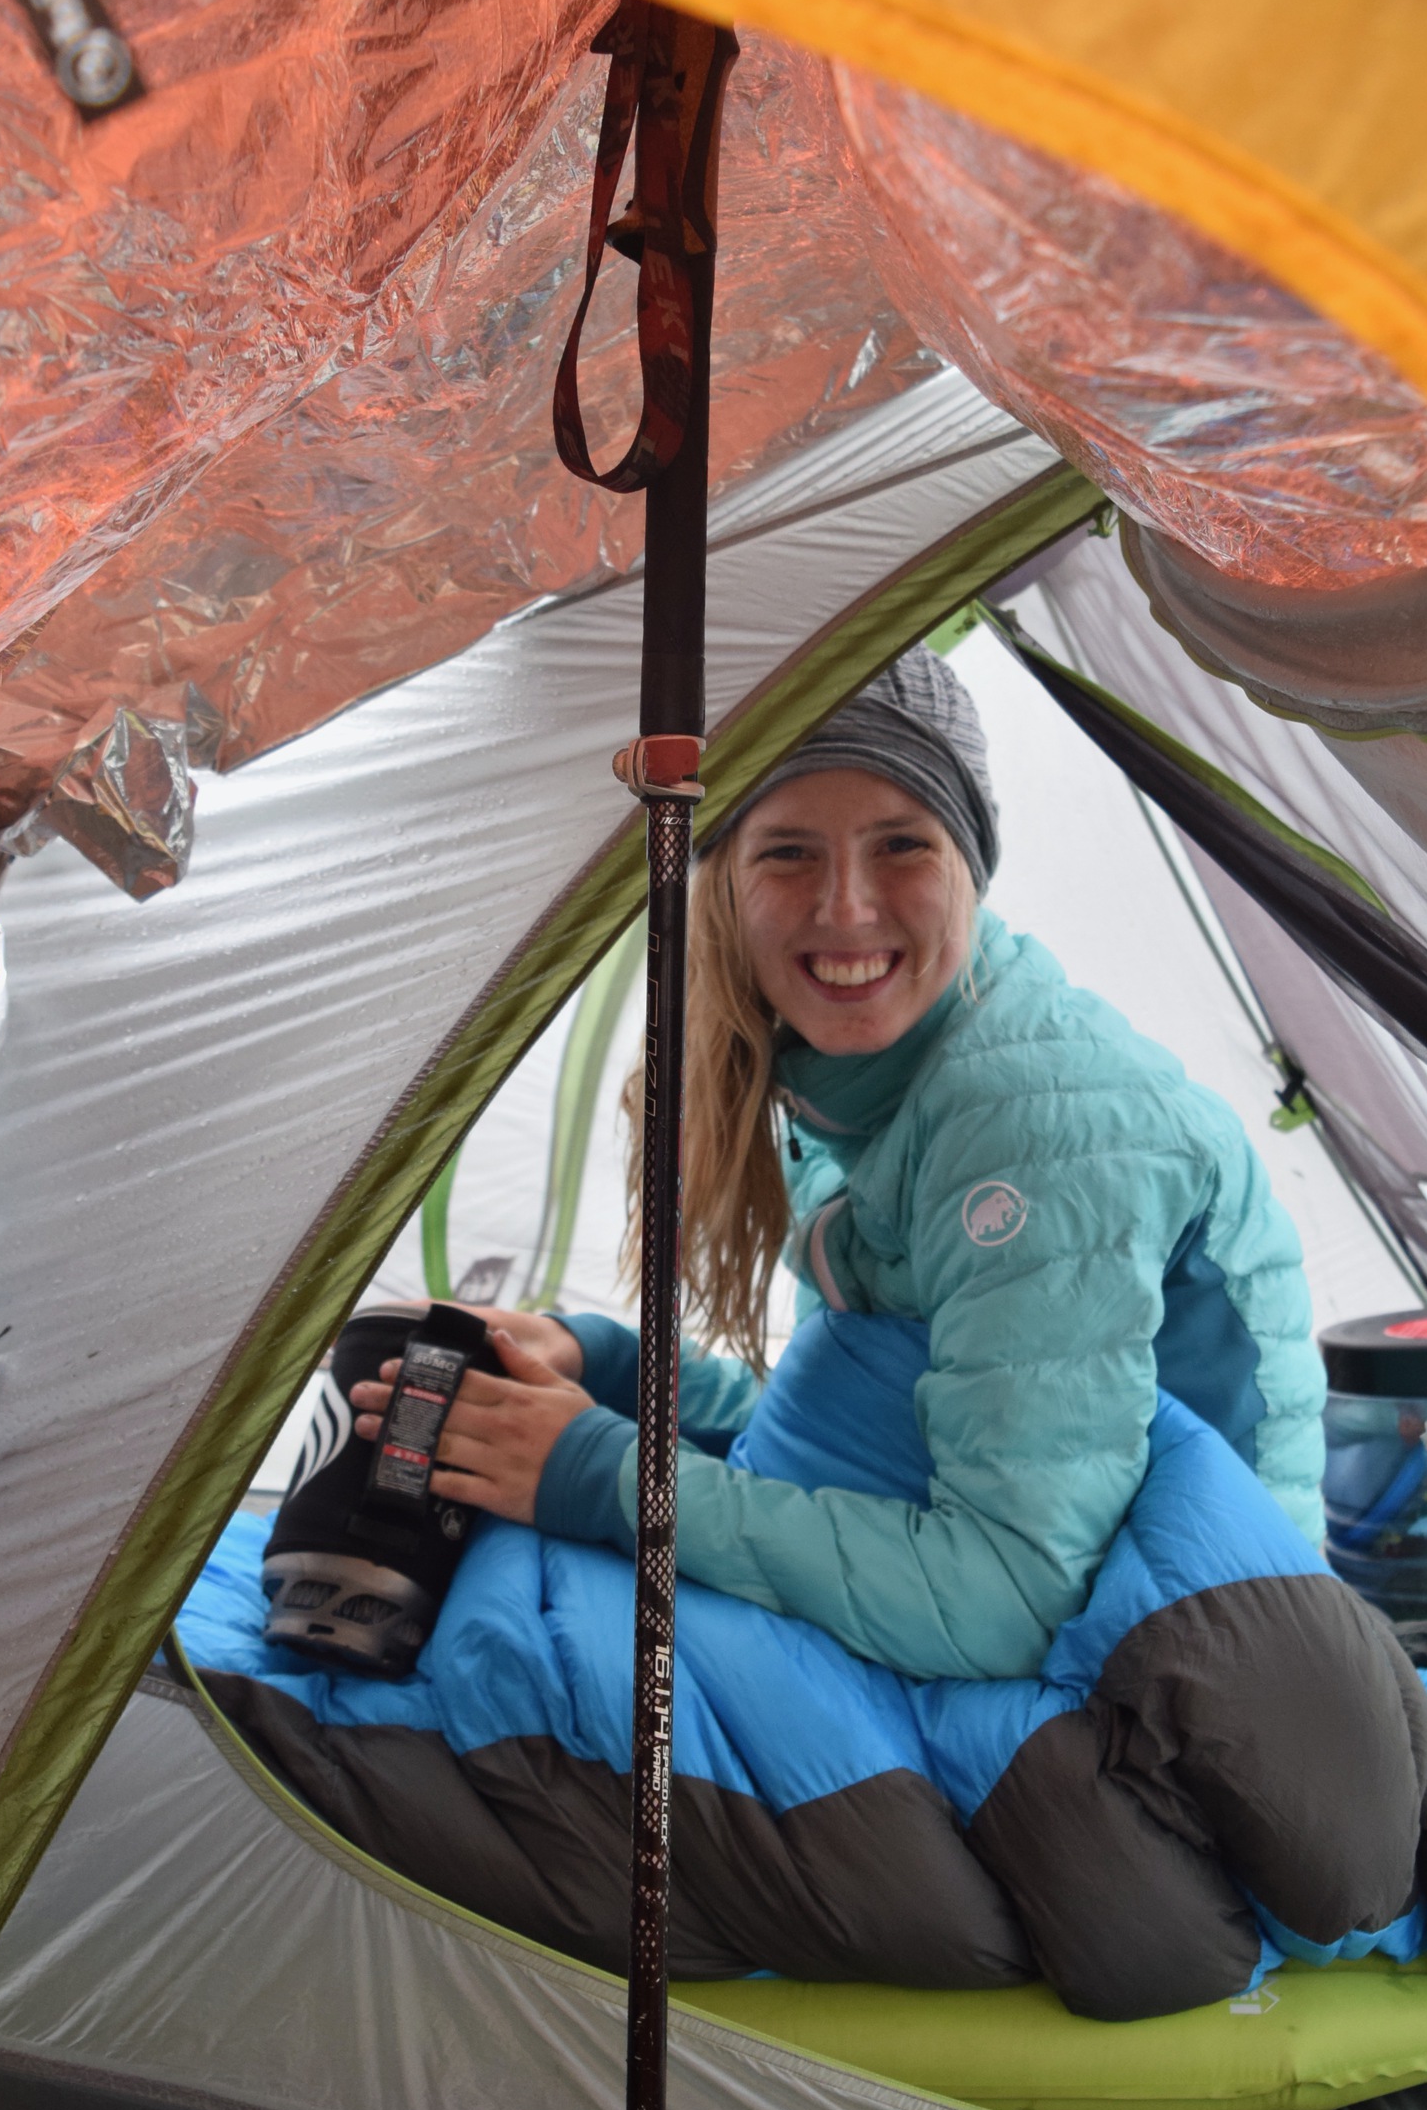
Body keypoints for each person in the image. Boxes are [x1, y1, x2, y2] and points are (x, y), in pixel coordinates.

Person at [350, 651, 1327, 1680]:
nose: (846, 908)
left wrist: (611, 1477)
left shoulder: (1034, 1127)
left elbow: (1009, 1599)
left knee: (526, 1668)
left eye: (900, 843)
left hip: (1201, 1680)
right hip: (1092, 1620)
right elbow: (883, 1432)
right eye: (787, 854)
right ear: (726, 885)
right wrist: (612, 1371)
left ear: (969, 864)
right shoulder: (845, 1086)